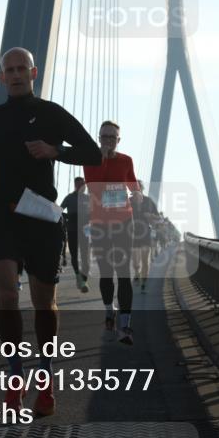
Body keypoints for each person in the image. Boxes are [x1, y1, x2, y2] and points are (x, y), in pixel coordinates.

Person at [0, 47, 100, 417]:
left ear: (33, 72)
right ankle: (13, 378)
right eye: (10, 69)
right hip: (3, 217)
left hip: (40, 216)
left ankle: (45, 376)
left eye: (22, 67)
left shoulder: (51, 113)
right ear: (2, 77)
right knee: (6, 295)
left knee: (44, 301)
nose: (17, 73)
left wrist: (55, 151)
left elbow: (92, 153)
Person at [83, 120, 141, 346]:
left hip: (124, 221)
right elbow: (93, 185)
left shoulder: (127, 160)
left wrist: (137, 194)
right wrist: (103, 159)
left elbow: (133, 184)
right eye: (104, 136)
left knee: (123, 271)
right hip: (99, 222)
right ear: (99, 138)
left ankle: (125, 325)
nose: (108, 140)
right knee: (106, 271)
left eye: (112, 137)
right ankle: (110, 309)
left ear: (119, 140)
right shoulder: (90, 159)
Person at [60, 177, 91, 292]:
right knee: (74, 255)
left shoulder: (89, 198)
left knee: (86, 258)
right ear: (75, 185)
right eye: (79, 185)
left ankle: (83, 279)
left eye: (83, 185)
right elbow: (60, 210)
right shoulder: (69, 198)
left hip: (86, 230)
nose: (81, 187)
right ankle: (79, 277)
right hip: (73, 229)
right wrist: (68, 217)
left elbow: (95, 212)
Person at [130, 180, 159, 293]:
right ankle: (137, 273)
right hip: (132, 234)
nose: (137, 190)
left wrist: (150, 215)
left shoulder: (148, 201)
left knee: (145, 260)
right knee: (136, 261)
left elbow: (157, 217)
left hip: (146, 233)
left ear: (142, 188)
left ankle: (143, 283)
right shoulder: (128, 202)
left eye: (139, 187)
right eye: (134, 188)